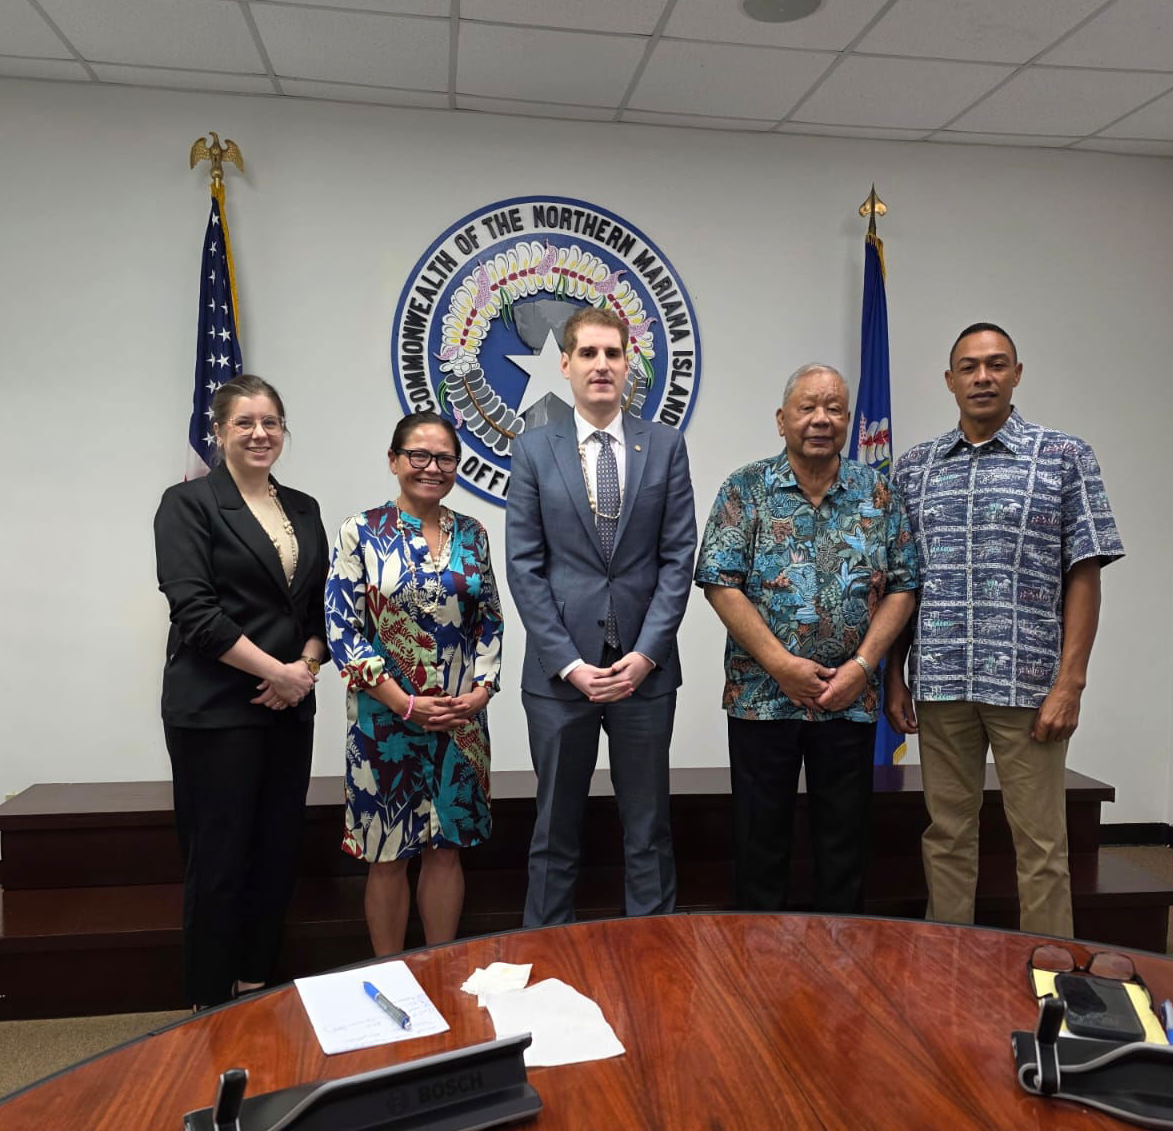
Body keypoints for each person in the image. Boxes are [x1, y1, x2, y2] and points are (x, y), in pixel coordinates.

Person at [886, 323, 1125, 939]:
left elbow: (1085, 572)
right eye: (969, 367)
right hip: (941, 682)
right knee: (946, 835)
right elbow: (902, 583)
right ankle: (948, 963)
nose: (983, 377)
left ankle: (1049, 966)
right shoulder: (914, 469)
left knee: (1041, 843)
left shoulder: (1064, 457)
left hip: (1029, 686)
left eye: (996, 365)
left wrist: (1071, 683)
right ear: (950, 380)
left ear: (1017, 374)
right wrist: (894, 675)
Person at [696, 363, 918, 912]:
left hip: (849, 698)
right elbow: (719, 583)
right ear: (782, 420)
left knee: (844, 848)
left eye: (834, 408)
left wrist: (862, 668)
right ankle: (757, 954)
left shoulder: (879, 493)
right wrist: (781, 666)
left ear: (847, 419)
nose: (821, 419)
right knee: (759, 844)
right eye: (807, 407)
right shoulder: (745, 489)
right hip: (762, 698)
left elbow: (903, 586)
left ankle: (840, 954)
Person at [506, 306, 697, 928]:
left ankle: (653, 957)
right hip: (561, 679)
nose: (601, 365)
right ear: (564, 364)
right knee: (554, 831)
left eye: (612, 353)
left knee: (649, 829)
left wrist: (645, 656)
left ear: (627, 364)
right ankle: (546, 955)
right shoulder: (533, 449)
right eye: (587, 353)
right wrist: (568, 663)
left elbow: (678, 559)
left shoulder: (664, 445)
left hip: (644, 676)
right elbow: (525, 566)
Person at [154, 374, 329, 1009]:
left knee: (277, 853)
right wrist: (275, 672)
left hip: (289, 708)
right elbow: (194, 613)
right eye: (245, 422)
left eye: (270, 422)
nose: (260, 433)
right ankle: (208, 1001)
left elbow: (318, 609)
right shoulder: (188, 504)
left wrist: (302, 669)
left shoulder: (303, 508)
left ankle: (255, 986)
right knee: (219, 861)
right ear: (219, 430)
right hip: (216, 709)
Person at [325, 413, 502, 956]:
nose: (432, 467)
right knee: (387, 853)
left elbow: (490, 621)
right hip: (384, 723)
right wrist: (403, 703)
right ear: (394, 460)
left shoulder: (473, 534)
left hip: (459, 720)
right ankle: (392, 974)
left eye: (445, 458)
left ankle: (440, 968)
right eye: (419, 455)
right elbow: (342, 630)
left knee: (447, 850)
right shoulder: (360, 531)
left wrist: (481, 690)